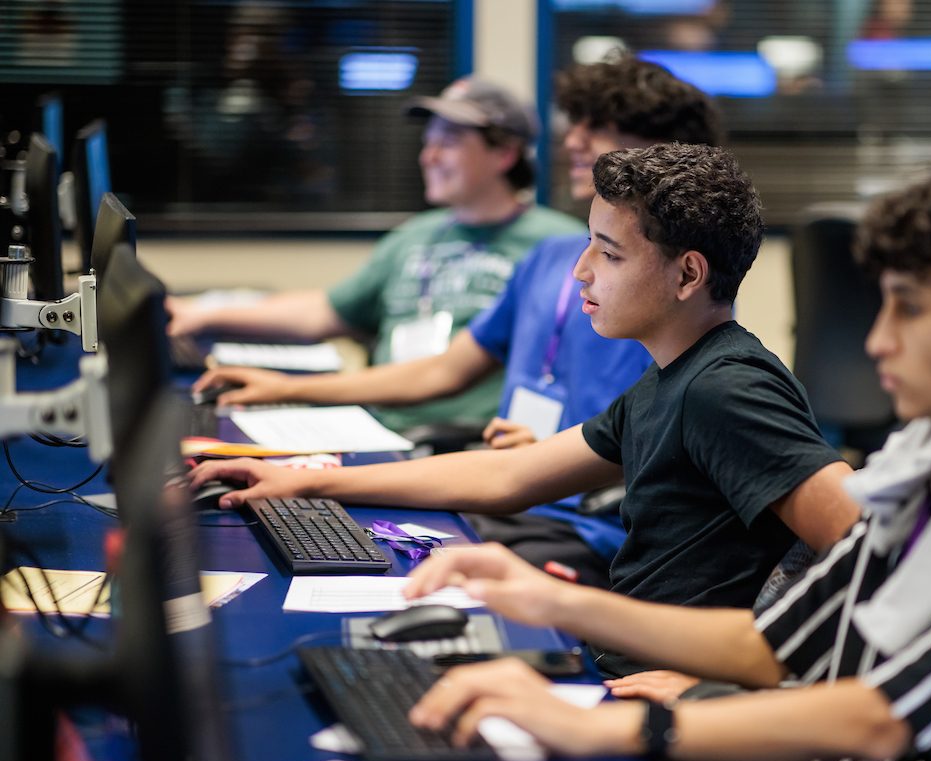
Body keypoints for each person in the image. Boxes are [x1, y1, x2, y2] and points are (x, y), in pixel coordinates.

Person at [399, 170, 931, 761]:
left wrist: (624, 726)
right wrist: (551, 601)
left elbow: (882, 721)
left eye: (909, 308)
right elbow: (779, 645)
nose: (877, 339)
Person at [189, 143, 858, 674]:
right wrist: (307, 480)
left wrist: (728, 684)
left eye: (610, 252)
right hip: (621, 662)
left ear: (687, 275)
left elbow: (871, 554)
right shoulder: (672, 377)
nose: (581, 271)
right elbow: (508, 477)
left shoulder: (728, 389)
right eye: (588, 243)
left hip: (669, 699)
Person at [189, 58, 724, 587]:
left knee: (414, 584)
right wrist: (292, 400)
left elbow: (665, 446)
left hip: (583, 520)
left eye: (599, 128)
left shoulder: (667, 287)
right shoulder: (550, 257)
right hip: (516, 493)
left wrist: (555, 453)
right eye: (575, 125)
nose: (574, 142)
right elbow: (445, 372)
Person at [166, 76, 583, 432]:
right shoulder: (414, 236)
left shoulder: (556, 247)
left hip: (461, 442)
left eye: (449, 142)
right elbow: (324, 311)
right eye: (428, 141)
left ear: (504, 153)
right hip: (375, 425)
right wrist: (204, 312)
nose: (428, 156)